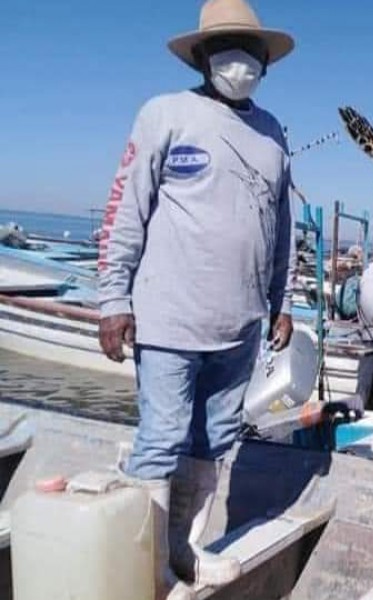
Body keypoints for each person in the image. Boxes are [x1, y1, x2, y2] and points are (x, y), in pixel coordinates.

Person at [97, 0, 296, 597]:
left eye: (252, 49)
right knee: (160, 440)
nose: (242, 60)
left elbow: (281, 227)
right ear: (204, 56)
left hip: (241, 327)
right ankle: (147, 565)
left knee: (214, 441)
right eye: (228, 47)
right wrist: (113, 300)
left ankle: (184, 548)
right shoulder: (164, 114)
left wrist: (282, 299)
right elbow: (125, 210)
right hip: (167, 319)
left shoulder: (273, 132)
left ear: (266, 60)